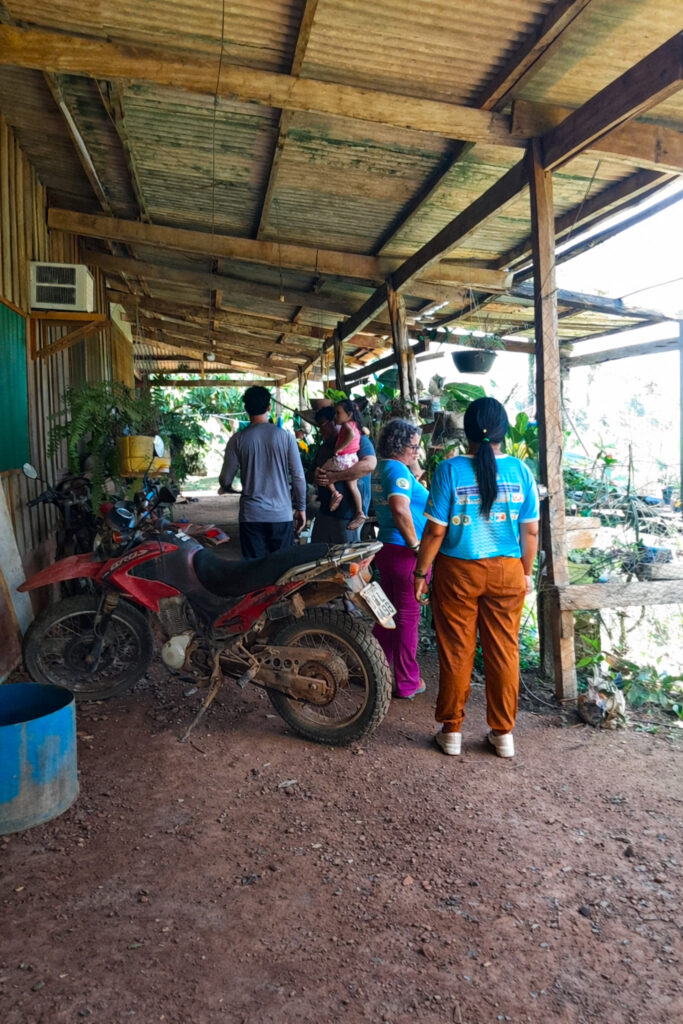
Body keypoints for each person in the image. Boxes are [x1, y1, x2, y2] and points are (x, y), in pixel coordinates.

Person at [413, 397, 539, 758]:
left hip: (458, 573)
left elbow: (435, 532)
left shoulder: (449, 471)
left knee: (456, 650)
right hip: (507, 571)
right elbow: (530, 532)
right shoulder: (521, 471)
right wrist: (526, 573)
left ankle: (451, 731)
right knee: (504, 650)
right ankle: (503, 735)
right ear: (503, 431)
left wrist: (421, 572)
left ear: (464, 430)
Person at [371, 418, 429, 700]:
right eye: (413, 446)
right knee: (408, 619)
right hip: (405, 553)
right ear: (398, 445)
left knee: (390, 616)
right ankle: (407, 681)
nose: (417, 451)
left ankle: (374, 667)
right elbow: (400, 508)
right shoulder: (396, 470)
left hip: (388, 550)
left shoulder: (385, 468)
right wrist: (417, 546)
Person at [218, 385, 306, 559]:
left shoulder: (237, 440)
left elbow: (225, 478)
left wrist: (227, 486)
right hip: (281, 514)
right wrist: (301, 507)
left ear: (246, 409)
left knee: (254, 569)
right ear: (268, 407)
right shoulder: (286, 437)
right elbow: (298, 477)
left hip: (251, 515)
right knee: (281, 569)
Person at [311, 406, 376, 544]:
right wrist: (316, 475)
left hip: (348, 516)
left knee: (347, 560)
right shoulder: (325, 446)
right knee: (318, 557)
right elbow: (310, 474)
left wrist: (335, 477)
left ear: (334, 421)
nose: (321, 431)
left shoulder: (359, 440)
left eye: (322, 425)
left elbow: (369, 465)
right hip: (325, 512)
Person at [321, 400, 365, 531]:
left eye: (338, 413)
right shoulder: (356, 425)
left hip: (343, 459)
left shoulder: (347, 425)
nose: (335, 416)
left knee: (323, 471)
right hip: (352, 459)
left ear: (349, 414)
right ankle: (360, 512)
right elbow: (360, 433)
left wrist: (339, 448)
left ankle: (335, 493)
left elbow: (350, 435)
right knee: (352, 486)